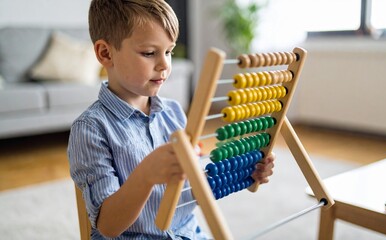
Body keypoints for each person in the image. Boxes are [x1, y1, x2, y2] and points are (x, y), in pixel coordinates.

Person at [67, 0, 276, 239]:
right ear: (106, 53)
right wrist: (145, 176)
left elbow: (192, 185)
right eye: (149, 53)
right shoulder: (91, 129)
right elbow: (108, 225)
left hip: (187, 233)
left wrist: (246, 171)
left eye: (169, 51)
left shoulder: (174, 112)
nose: (165, 64)